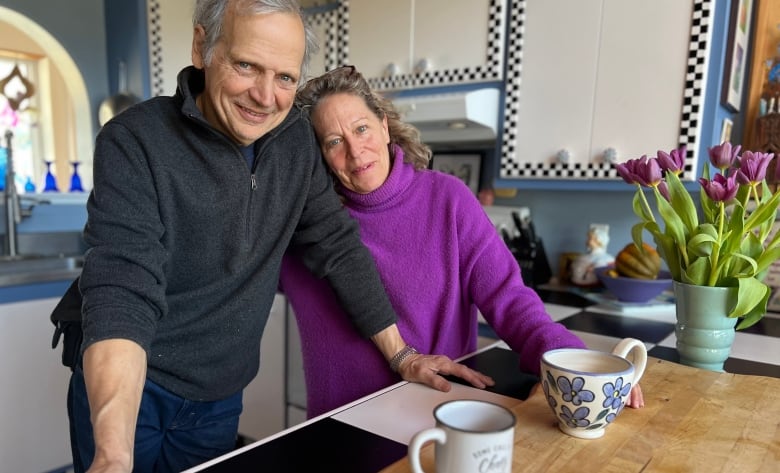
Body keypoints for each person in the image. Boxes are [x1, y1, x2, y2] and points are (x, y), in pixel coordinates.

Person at [65, 2, 489, 472]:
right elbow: (124, 289)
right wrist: (113, 454)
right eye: (246, 65)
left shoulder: (295, 144)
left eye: (285, 77)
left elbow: (339, 249)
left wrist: (404, 356)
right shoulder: (135, 140)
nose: (265, 97)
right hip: (133, 386)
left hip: (219, 395)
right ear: (203, 46)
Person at [280, 65, 645, 418]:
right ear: (318, 157)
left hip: (436, 413)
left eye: (362, 129)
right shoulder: (304, 224)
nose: (355, 151)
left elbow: (509, 298)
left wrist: (570, 359)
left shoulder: (447, 200)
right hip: (338, 429)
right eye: (334, 141)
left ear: (384, 127)